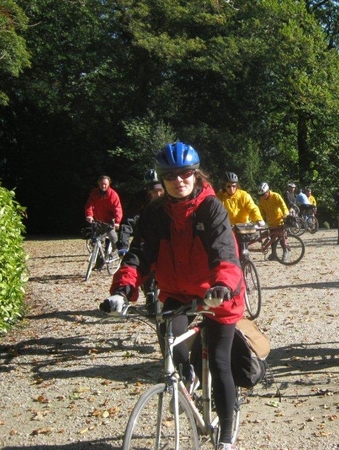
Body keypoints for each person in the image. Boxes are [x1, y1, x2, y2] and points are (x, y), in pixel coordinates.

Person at [100, 142, 244, 450]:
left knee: (219, 363)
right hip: (178, 293)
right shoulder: (155, 213)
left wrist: (222, 285)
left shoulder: (212, 207)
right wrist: (123, 290)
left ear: (195, 174)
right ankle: (187, 375)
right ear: (162, 180)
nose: (179, 181)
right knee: (171, 339)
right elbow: (139, 255)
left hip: (217, 294)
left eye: (185, 174)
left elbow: (225, 251)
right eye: (170, 176)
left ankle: (227, 436)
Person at [117, 170, 165, 255]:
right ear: (147, 190)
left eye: (160, 189)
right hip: (146, 234)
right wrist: (123, 246)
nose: (157, 194)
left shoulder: (172, 197)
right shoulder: (139, 198)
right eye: (153, 190)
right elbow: (129, 220)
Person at [84, 175, 123, 252]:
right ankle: (98, 258)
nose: (103, 186)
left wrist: (117, 222)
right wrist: (89, 215)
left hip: (109, 221)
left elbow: (117, 208)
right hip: (98, 220)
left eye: (105, 184)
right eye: (102, 184)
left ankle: (115, 253)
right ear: (98, 183)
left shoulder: (113, 194)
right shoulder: (94, 193)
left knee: (113, 238)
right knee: (97, 240)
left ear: (109, 184)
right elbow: (89, 205)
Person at [257, 182, 290, 262]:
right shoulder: (262, 200)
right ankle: (273, 254)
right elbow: (261, 211)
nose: (263, 196)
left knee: (281, 238)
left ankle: (286, 252)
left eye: (264, 194)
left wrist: (285, 214)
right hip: (271, 222)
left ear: (268, 191)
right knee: (272, 239)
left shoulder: (276, 196)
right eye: (261, 195)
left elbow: (283, 206)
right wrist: (260, 219)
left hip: (279, 220)